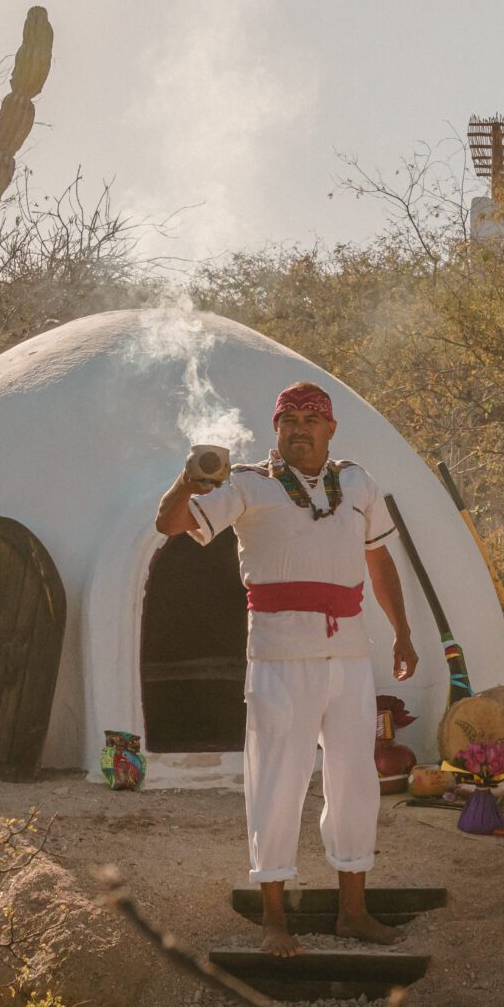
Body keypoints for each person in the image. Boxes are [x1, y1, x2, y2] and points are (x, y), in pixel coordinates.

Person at [154, 381, 419, 957]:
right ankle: (275, 919)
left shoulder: (356, 483)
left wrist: (401, 632)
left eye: (310, 418)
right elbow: (168, 525)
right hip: (278, 658)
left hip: (348, 655)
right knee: (277, 781)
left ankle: (354, 912)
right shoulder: (247, 485)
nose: (299, 428)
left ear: (330, 428)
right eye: (287, 419)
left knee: (355, 781)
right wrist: (191, 475)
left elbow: (377, 558)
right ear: (275, 429)